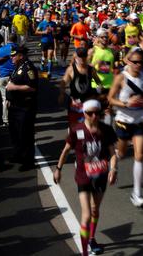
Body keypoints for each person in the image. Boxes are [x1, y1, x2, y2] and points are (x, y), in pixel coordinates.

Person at [54, 100, 118, 256]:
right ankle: (84, 253)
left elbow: (112, 154)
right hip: (83, 176)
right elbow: (66, 150)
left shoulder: (106, 130)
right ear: (84, 114)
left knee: (95, 210)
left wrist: (113, 168)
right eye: (90, 113)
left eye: (97, 113)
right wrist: (58, 169)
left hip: (101, 175)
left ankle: (92, 238)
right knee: (87, 214)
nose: (94, 116)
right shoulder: (77, 130)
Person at [108, 47, 143, 208]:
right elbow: (110, 98)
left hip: (139, 121)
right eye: (135, 62)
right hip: (123, 121)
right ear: (128, 61)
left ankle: (137, 193)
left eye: (141, 62)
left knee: (139, 155)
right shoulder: (121, 77)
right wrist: (126, 103)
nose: (138, 65)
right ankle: (113, 164)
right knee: (120, 153)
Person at [6, 45, 38, 171]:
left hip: (25, 107)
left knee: (25, 134)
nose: (11, 57)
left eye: (14, 55)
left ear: (21, 55)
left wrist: (14, 88)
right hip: (14, 105)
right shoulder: (18, 67)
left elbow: (32, 87)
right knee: (15, 132)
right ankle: (18, 154)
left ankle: (28, 161)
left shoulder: (28, 68)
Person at [59, 47, 102, 127]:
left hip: (88, 101)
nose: (82, 58)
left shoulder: (91, 69)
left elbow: (98, 81)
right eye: (80, 56)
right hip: (76, 103)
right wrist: (61, 94)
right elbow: (63, 82)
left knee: (90, 125)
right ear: (76, 56)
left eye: (84, 56)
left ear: (87, 56)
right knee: (74, 125)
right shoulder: (71, 69)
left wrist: (98, 92)